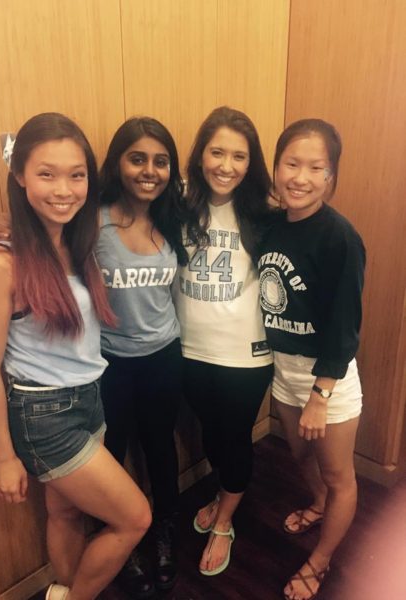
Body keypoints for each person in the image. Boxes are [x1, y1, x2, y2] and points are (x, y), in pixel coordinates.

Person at [0, 113, 151, 600]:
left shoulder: (74, 241)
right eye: (47, 174)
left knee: (66, 512)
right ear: (20, 176)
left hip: (89, 398)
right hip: (43, 414)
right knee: (135, 518)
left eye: (76, 174)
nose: (64, 189)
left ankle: (63, 588)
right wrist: (3, 456)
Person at [258, 119, 365, 600]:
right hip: (284, 370)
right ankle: (319, 505)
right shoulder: (270, 225)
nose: (300, 177)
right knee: (300, 455)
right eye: (291, 163)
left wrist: (321, 395)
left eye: (314, 167)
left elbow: (345, 329)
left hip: (329, 379)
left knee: (340, 475)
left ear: (330, 176)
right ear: (276, 168)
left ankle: (320, 560)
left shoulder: (340, 237)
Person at [172, 106, 274, 576]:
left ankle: (225, 522)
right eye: (217, 152)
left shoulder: (264, 214)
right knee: (212, 435)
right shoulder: (176, 206)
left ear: (251, 163)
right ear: (201, 155)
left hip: (246, 355)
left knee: (233, 439)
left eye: (239, 155)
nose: (226, 165)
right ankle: (224, 491)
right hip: (189, 349)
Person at [96, 117, 187, 598]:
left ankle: (165, 533)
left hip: (164, 357)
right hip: (111, 363)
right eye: (138, 159)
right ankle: (120, 540)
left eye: (160, 161)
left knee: (159, 448)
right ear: (117, 163)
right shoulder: (92, 221)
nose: (149, 171)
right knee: (111, 456)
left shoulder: (173, 219)